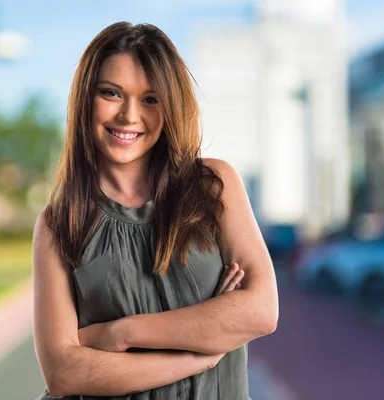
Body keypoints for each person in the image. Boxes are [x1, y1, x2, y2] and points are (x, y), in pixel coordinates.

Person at [32, 21, 279, 399]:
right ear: (86, 99)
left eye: (150, 99)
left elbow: (260, 311)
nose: (129, 116)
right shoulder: (59, 223)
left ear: (171, 106)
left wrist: (121, 333)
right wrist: (200, 355)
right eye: (111, 93)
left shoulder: (213, 186)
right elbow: (63, 373)